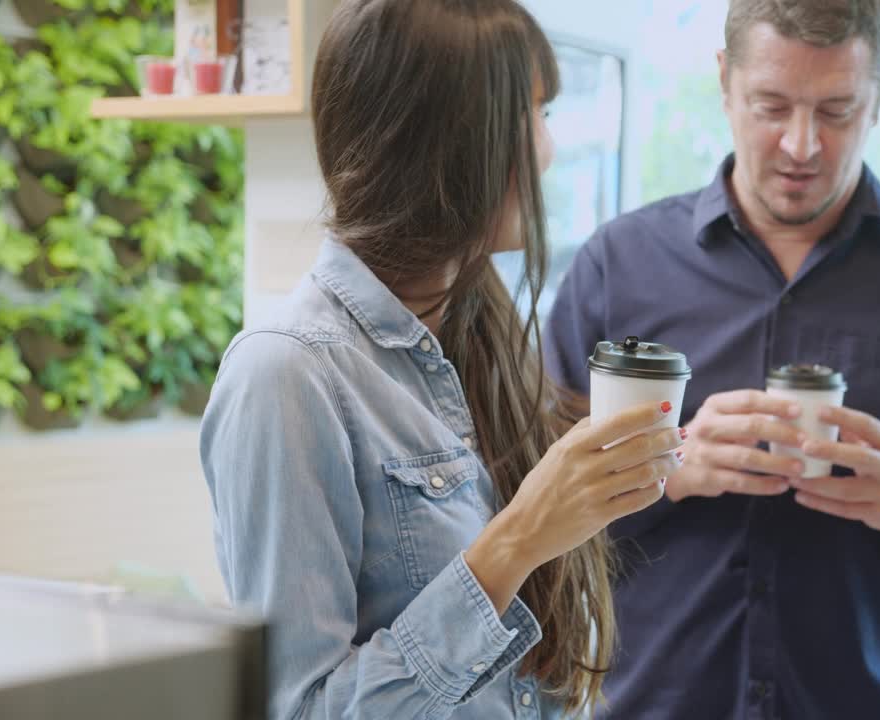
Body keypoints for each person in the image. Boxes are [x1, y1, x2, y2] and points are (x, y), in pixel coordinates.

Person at [543, 0, 880, 717]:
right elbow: (527, 498)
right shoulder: (618, 266)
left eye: (836, 111)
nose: (800, 145)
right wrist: (668, 473)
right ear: (725, 82)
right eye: (771, 106)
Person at [199, 1, 685, 717]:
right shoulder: (287, 374)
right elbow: (300, 710)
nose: (548, 150)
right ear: (445, 143)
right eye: (534, 115)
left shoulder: (488, 332)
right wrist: (517, 539)